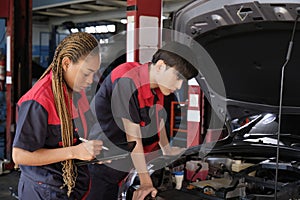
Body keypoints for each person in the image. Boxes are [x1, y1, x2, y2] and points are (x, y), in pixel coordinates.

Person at [87, 42, 198, 200]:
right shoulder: (126, 79)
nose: (179, 86)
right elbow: (133, 138)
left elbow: (158, 121)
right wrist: (146, 181)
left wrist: (167, 150)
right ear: (160, 66)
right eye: (178, 77)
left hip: (129, 161)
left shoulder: (157, 87)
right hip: (104, 162)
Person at [12, 32, 104, 200]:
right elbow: (20, 156)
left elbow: (85, 132)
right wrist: (74, 152)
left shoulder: (78, 93)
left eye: (94, 73)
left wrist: (97, 151)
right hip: (43, 191)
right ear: (66, 63)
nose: (91, 80)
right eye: (86, 73)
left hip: (73, 188)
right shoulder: (38, 101)